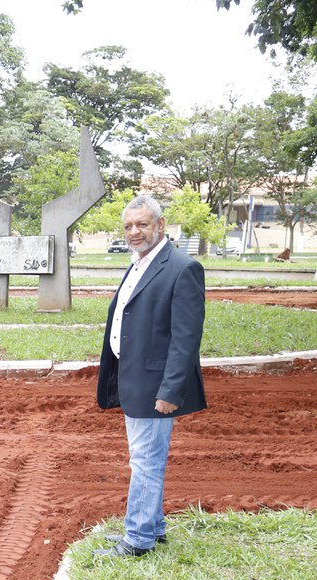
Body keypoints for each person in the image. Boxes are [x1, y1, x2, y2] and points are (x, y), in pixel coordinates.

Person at [95, 196, 206, 558]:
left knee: (145, 461)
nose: (134, 232)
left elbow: (186, 338)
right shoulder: (140, 263)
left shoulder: (181, 267)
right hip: (134, 377)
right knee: (145, 458)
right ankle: (153, 527)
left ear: (161, 224)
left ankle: (138, 539)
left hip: (155, 383)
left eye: (142, 224)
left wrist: (171, 388)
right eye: (128, 226)